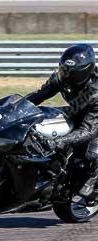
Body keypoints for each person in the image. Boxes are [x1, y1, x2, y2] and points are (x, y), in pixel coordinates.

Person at [26, 44, 98, 202]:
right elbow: (40, 95)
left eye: (72, 72)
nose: (66, 75)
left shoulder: (95, 92)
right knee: (42, 117)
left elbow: (88, 130)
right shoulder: (63, 77)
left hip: (94, 121)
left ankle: (93, 177)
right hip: (78, 111)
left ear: (85, 72)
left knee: (90, 153)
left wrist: (58, 142)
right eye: (64, 69)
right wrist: (17, 108)